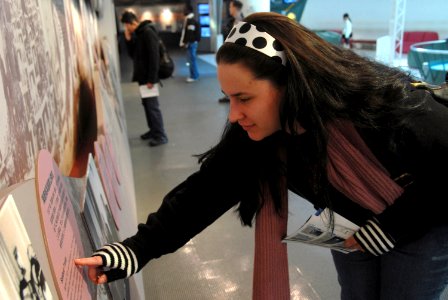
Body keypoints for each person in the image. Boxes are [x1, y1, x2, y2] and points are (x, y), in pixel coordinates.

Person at [75, 12, 448, 299]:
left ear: (291, 86)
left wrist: (385, 231)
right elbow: (206, 190)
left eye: (244, 98)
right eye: (230, 97)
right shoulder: (263, 134)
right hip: (349, 226)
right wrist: (132, 252)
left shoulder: (389, 106)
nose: (233, 115)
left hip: (422, 222)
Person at [121, 11, 168, 147]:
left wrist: (152, 79)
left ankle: (160, 135)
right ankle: (153, 130)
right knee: (147, 105)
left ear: (131, 23)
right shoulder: (139, 34)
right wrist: (128, 39)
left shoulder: (148, 32)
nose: (126, 28)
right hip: (143, 78)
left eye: (126, 26)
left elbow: (154, 57)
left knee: (152, 106)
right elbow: (133, 55)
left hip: (149, 79)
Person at [218, 0, 244, 103]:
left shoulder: (246, 22)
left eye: (230, 7)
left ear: (235, 8)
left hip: (240, 55)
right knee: (228, 76)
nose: (229, 9)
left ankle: (240, 95)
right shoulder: (229, 22)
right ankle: (228, 95)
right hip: (229, 54)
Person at [179, 4, 201, 83]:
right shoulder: (189, 20)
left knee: (192, 60)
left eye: (185, 9)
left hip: (191, 43)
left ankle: (194, 76)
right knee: (191, 59)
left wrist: (186, 42)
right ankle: (195, 74)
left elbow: (190, 33)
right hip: (191, 43)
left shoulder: (191, 20)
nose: (183, 11)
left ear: (189, 11)